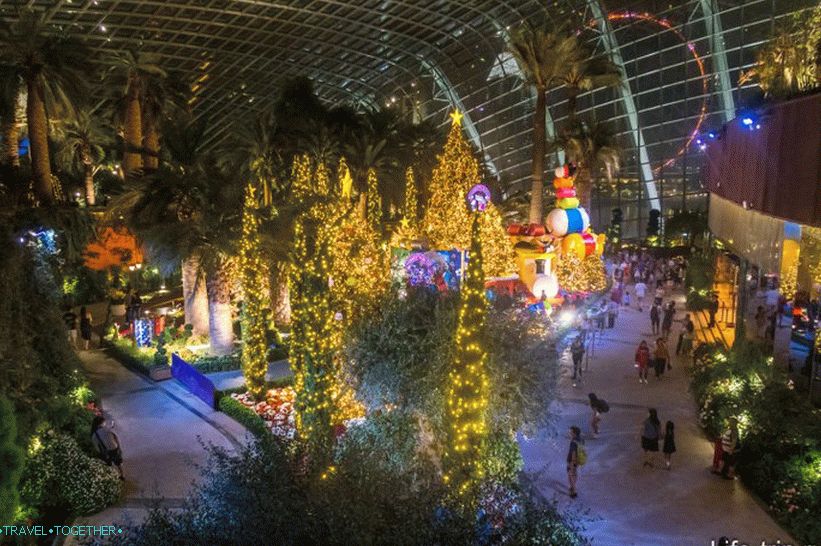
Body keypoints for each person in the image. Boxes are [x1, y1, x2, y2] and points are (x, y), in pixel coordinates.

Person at [91, 415, 124, 480]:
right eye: (104, 422)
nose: (105, 423)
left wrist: (100, 452)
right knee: (118, 463)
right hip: (115, 448)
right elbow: (116, 437)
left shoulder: (94, 435)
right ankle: (122, 475)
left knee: (109, 464)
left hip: (106, 451)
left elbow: (96, 446)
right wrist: (119, 447)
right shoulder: (108, 429)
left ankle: (112, 476)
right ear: (101, 423)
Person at [567, 426, 582, 498]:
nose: (569, 433)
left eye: (571, 432)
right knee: (575, 473)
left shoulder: (573, 442)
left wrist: (572, 463)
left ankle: (573, 490)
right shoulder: (581, 440)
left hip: (572, 460)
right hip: (579, 459)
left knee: (570, 474)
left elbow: (573, 452)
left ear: (574, 433)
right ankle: (573, 486)